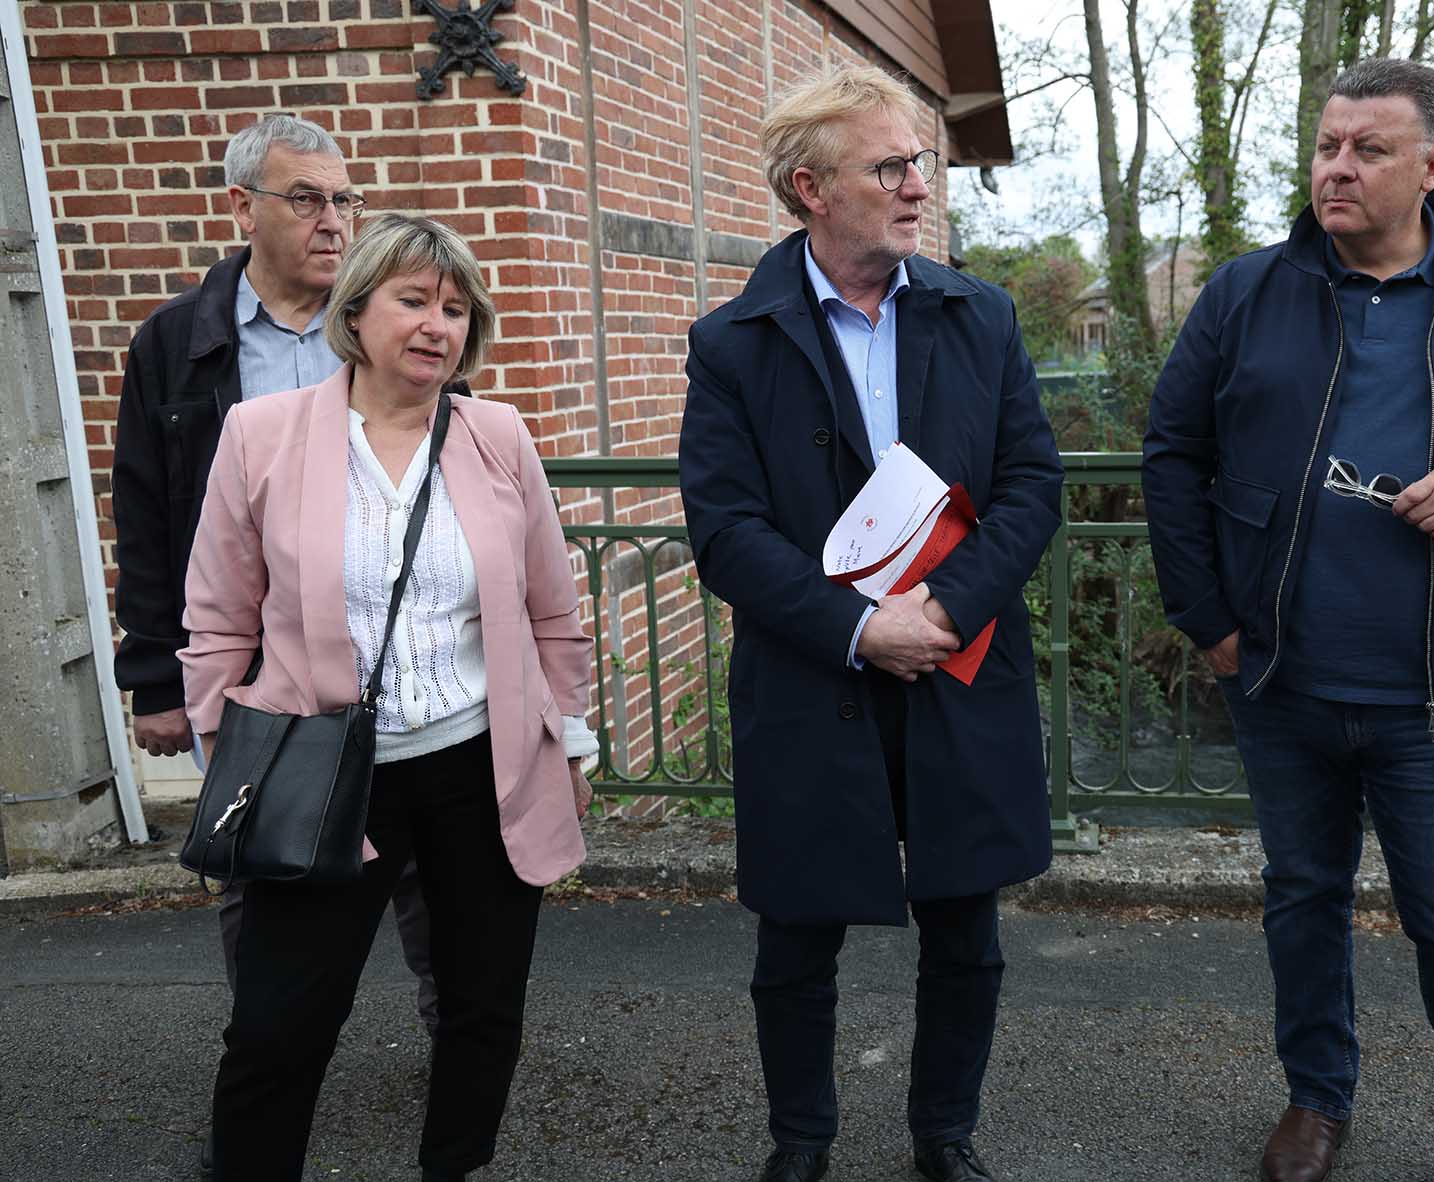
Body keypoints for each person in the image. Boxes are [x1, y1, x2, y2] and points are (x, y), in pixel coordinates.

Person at [1143, 58, 1434, 1182]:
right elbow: (1172, 453)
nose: (1336, 168)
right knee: (1301, 900)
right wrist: (1208, 617)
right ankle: (1315, 1101)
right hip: (1279, 680)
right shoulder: (1245, 291)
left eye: (1367, 149)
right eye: (1325, 146)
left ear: (1433, 166)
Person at [678, 63, 1063, 1182]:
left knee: (964, 927)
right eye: (888, 166)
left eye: (919, 164)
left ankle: (943, 1135)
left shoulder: (976, 314)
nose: (915, 187)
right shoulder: (732, 341)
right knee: (795, 936)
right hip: (812, 677)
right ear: (809, 188)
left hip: (956, 661)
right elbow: (725, 530)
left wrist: (942, 607)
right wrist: (856, 628)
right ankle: (800, 1142)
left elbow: (1032, 484)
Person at [180, 213, 598, 1182]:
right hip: (319, 772)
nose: (436, 326)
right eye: (414, 301)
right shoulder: (262, 436)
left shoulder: (496, 436)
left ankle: (452, 1168)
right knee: (279, 1024)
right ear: (356, 309)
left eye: (455, 310)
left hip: (478, 767)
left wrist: (568, 744)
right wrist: (228, 759)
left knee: (480, 1008)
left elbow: (551, 612)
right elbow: (217, 622)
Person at [110, 116, 440, 1054]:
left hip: (389, 642)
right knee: (260, 851)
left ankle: (455, 1044)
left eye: (345, 198)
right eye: (307, 198)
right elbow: (147, 516)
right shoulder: (177, 344)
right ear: (242, 208)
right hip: (253, 661)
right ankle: (267, 1058)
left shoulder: (385, 321)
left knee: (422, 864)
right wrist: (158, 680)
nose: (334, 220)